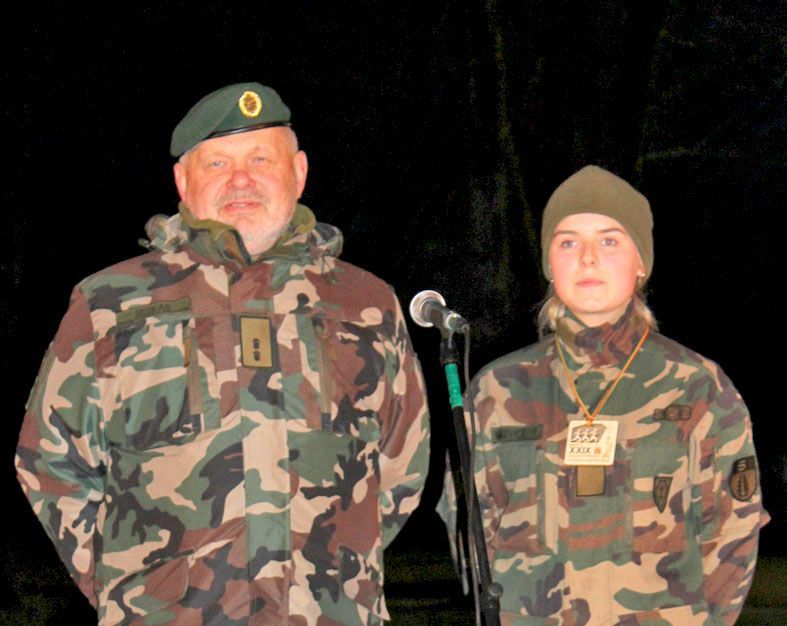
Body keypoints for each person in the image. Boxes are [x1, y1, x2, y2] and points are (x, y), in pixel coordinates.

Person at [15, 82, 430, 625]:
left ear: (298, 172)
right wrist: (132, 592)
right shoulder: (109, 304)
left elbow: (400, 467)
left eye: (261, 158)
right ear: (182, 181)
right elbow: (50, 463)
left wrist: (334, 578)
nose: (241, 179)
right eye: (217, 163)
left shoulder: (366, 303)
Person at [443, 165, 768, 625]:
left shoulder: (698, 387)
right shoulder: (496, 390)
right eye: (568, 242)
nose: (588, 258)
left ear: (641, 262)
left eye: (610, 240)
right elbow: (468, 535)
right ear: (549, 263)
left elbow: (733, 536)